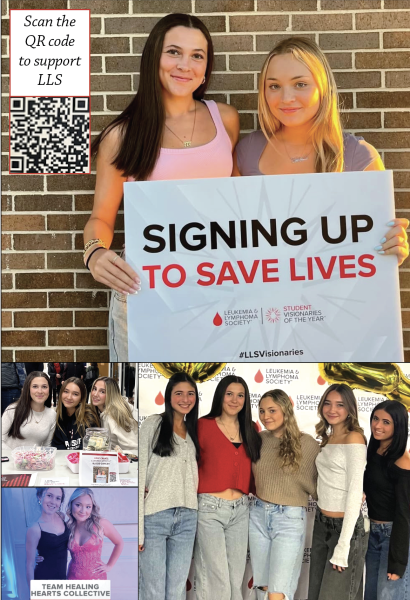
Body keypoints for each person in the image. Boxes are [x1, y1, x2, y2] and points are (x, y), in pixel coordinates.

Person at [83, 13, 239, 360]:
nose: (186, 64)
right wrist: (95, 252)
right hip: (146, 288)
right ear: (154, 57)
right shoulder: (122, 136)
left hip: (220, 284)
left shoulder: (224, 118)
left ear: (206, 66)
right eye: (174, 52)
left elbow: (241, 204)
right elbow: (101, 219)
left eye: (197, 55)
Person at [234, 36, 409, 266]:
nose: (286, 98)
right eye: (274, 86)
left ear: (322, 87)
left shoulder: (360, 157)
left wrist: (391, 252)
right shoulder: (247, 152)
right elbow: (235, 242)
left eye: (300, 84)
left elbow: (375, 255)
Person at [194, 375, 262, 600]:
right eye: (229, 394)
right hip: (210, 509)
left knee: (235, 579)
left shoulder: (251, 428)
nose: (235, 400)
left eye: (240, 395)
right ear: (220, 396)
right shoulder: (202, 425)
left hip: (241, 510)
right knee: (216, 579)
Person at [250, 389, 319, 600]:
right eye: (261, 411)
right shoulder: (258, 439)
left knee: (278, 591)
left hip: (289, 519)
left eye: (272, 410)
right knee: (262, 586)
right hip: (258, 516)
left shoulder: (308, 444)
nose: (265, 416)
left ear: (286, 410)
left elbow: (321, 483)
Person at [139, 372, 200, 600]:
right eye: (179, 393)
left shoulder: (194, 430)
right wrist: (138, 532)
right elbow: (140, 474)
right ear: (169, 396)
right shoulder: (153, 424)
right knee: (153, 591)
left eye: (190, 393)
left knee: (176, 591)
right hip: (155, 517)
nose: (185, 399)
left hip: (187, 518)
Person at [308, 384, 368, 600]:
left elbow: (354, 492)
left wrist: (343, 546)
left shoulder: (354, 438)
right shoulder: (328, 438)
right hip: (321, 524)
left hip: (346, 529)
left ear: (350, 408)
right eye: (328, 403)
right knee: (314, 593)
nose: (332, 409)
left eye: (340, 405)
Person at [364, 400, 410, 600]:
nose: (378, 426)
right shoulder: (373, 452)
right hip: (372, 534)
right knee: (371, 595)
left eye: (386, 422)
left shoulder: (402, 460)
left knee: (388, 596)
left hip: (393, 537)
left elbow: (404, 513)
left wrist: (398, 562)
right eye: (375, 418)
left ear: (398, 426)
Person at [66, 488, 124, 580]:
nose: (83, 511)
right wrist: (38, 556)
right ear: (71, 504)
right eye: (78, 505)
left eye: (88, 506)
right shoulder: (68, 527)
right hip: (73, 579)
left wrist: (109, 566)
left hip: (97, 579)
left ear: (92, 507)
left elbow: (119, 542)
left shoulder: (101, 524)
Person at [2, 371, 56, 452]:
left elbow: (46, 446)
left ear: (49, 389)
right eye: (35, 386)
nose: (40, 391)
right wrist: (18, 457)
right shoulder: (12, 409)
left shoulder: (52, 414)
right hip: (11, 460)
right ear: (28, 389)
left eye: (44, 387)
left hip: (34, 462)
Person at [26, 488, 69, 583]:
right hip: (43, 579)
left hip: (62, 579)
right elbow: (29, 565)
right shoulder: (34, 528)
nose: (53, 502)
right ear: (40, 496)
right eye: (49, 495)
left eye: (58, 498)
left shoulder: (61, 516)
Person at [51, 377, 100, 450]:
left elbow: (93, 448)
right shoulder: (57, 416)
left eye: (75, 394)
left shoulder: (89, 417)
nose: (69, 397)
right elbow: (57, 446)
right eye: (66, 392)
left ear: (81, 398)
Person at [90, 377, 138, 452]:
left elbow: (132, 447)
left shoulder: (113, 416)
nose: (95, 394)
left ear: (111, 394)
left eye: (102, 392)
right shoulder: (99, 409)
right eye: (94, 389)